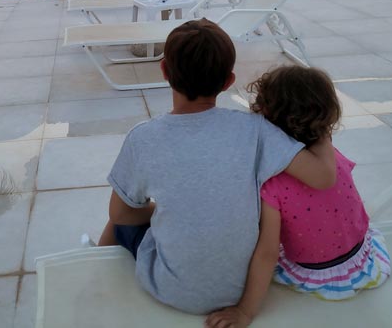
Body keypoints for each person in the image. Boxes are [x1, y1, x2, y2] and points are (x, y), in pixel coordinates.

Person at [98, 20, 337, 315]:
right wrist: (322, 124)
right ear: (228, 81)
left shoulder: (143, 138)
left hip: (170, 289)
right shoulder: (255, 130)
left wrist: (166, 210)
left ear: (164, 71)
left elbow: (121, 214)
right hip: (238, 288)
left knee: (118, 220)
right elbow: (323, 176)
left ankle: (94, 277)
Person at [206, 66, 391, 328]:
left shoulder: (272, 183)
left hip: (317, 273)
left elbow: (267, 254)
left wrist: (245, 312)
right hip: (361, 259)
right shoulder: (330, 158)